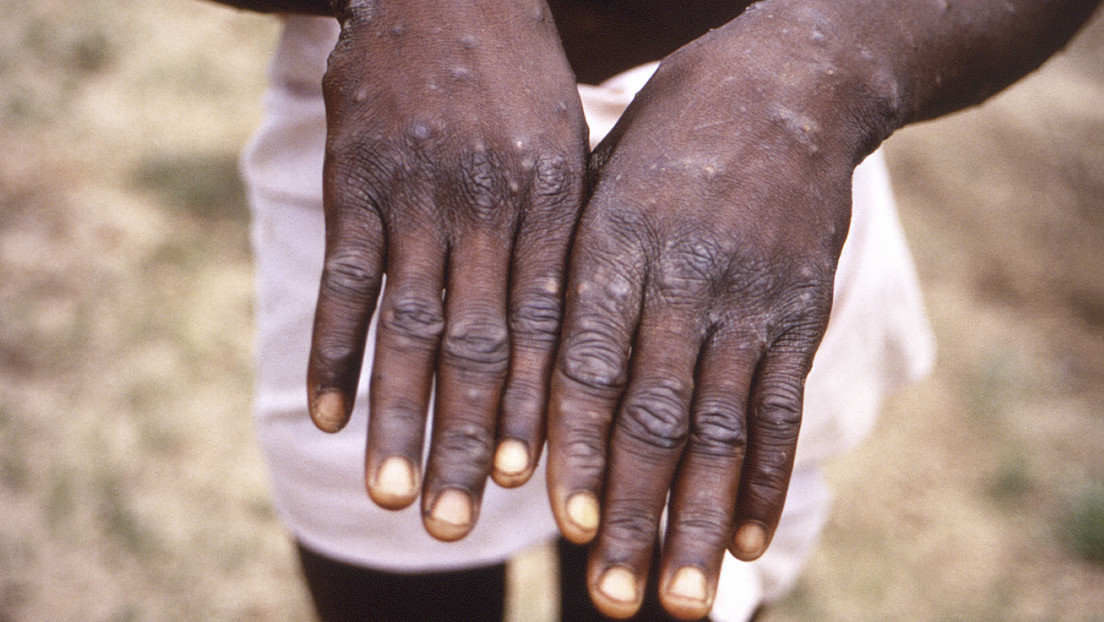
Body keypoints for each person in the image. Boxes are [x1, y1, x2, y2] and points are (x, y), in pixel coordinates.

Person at [208, 0, 1100, 619]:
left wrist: (824, 68)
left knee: (670, 574)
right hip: (416, 109)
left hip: (753, 158)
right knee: (387, 557)